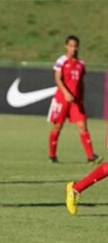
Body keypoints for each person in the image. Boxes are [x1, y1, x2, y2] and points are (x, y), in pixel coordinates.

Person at [47, 35, 102, 164]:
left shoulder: (81, 64)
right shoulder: (61, 61)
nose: (73, 49)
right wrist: (66, 93)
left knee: (83, 126)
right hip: (62, 99)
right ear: (66, 46)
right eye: (71, 46)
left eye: (75, 46)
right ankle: (52, 155)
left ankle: (90, 156)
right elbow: (57, 78)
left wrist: (81, 98)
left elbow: (81, 83)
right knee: (57, 127)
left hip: (76, 101)